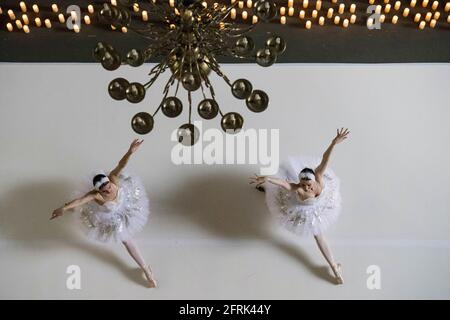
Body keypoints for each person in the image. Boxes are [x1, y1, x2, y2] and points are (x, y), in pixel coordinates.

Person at [51, 139, 156, 288]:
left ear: (109, 181)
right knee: (125, 240)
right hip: (109, 214)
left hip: (124, 205)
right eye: (104, 189)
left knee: (83, 206)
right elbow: (81, 200)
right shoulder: (96, 196)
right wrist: (63, 208)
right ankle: (145, 268)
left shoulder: (113, 179)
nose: (108, 189)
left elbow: (121, 164)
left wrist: (130, 151)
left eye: (108, 186)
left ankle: (145, 268)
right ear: (99, 191)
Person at [250, 128, 350, 284]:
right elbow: (283, 183)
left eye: (309, 184)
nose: (307, 188)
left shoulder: (319, 177)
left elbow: (325, 160)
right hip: (299, 206)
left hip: (316, 208)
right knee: (279, 194)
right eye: (303, 185)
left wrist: (333, 143)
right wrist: (268, 179)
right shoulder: (297, 188)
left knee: (318, 236)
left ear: (314, 180)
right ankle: (265, 189)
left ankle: (333, 266)